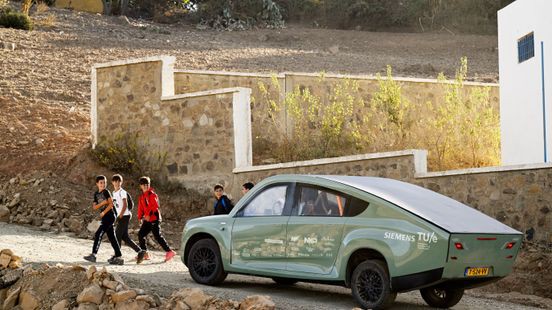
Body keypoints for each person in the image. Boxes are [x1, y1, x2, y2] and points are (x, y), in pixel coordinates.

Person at [83, 175, 124, 265]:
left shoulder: (106, 192)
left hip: (110, 216)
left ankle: (93, 255)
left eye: (104, 182)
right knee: (112, 237)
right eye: (101, 183)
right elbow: (94, 207)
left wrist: (103, 212)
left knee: (98, 233)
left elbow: (111, 204)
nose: (103, 184)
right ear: (97, 184)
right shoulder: (96, 194)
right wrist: (103, 203)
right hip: (105, 216)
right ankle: (119, 257)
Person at [136, 176, 176, 264]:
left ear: (149, 185)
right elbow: (141, 208)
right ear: (141, 186)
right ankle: (144, 253)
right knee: (141, 234)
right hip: (147, 219)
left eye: (147, 184)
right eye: (144, 185)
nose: (146, 186)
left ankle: (170, 252)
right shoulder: (142, 196)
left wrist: (149, 215)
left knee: (157, 235)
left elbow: (155, 206)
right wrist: (139, 217)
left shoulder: (152, 194)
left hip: (154, 218)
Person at [111, 174, 141, 256]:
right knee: (125, 237)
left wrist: (120, 215)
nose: (117, 183)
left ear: (121, 182)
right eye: (115, 181)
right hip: (120, 216)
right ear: (112, 182)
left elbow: (125, 204)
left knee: (117, 235)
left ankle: (117, 255)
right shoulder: (113, 193)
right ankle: (140, 252)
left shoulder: (122, 192)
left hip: (124, 216)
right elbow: (116, 205)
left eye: (119, 181)